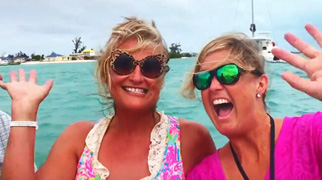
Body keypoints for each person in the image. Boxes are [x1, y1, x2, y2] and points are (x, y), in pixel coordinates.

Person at [0, 17, 215, 180]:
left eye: (151, 67)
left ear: (162, 78)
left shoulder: (191, 139)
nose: (137, 77)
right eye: (123, 64)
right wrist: (24, 112)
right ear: (106, 73)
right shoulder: (78, 141)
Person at [183, 22, 322, 180]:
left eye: (227, 74)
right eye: (202, 79)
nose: (213, 86)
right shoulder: (204, 175)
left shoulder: (316, 135)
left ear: (261, 84)